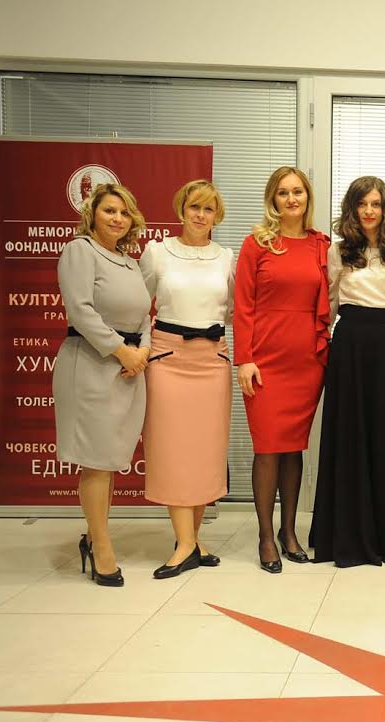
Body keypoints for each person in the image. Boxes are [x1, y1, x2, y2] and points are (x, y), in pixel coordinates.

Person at [309, 176, 385, 567]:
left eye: (376, 204)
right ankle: (346, 530)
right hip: (349, 348)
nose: (369, 211)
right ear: (352, 208)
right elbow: (327, 307)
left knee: (384, 434)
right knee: (349, 435)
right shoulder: (338, 251)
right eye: (362, 204)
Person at [234, 166, 331, 573]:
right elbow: (242, 305)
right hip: (265, 362)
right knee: (268, 448)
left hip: (307, 361)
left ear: (307, 198)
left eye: (298, 192)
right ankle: (264, 536)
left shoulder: (321, 245)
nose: (292, 199)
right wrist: (244, 358)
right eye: (283, 193)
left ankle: (289, 532)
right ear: (272, 200)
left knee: (294, 448)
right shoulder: (256, 244)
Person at [53, 183, 151, 587]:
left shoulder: (129, 262)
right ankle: (102, 548)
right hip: (90, 365)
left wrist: (142, 351)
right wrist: (121, 351)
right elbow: (80, 310)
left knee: (110, 459)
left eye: (124, 212)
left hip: (127, 369)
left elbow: (144, 315)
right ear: (92, 213)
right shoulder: (80, 251)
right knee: (96, 461)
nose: (117, 218)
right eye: (109, 210)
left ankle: (94, 537)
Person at [140, 180, 234, 579]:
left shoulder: (227, 257)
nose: (201, 215)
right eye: (194, 207)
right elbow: (138, 306)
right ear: (181, 209)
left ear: (217, 216)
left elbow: (235, 311)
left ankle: (192, 540)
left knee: (204, 453)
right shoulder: (157, 252)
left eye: (208, 209)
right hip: (168, 359)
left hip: (212, 360)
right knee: (174, 452)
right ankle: (184, 543)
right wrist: (141, 350)